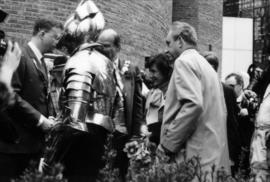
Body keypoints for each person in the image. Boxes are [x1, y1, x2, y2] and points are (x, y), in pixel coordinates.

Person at [42, 1, 120, 181]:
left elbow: (75, 121)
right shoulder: (106, 62)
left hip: (81, 142)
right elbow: (117, 108)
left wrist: (54, 155)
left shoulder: (80, 60)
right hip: (100, 137)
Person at [157, 22, 230, 180]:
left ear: (180, 41)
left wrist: (167, 145)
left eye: (169, 43)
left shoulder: (183, 62)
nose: (166, 49)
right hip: (210, 155)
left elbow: (193, 105)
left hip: (193, 154)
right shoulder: (207, 67)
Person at [0, 18, 62, 181]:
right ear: (42, 34)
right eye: (55, 37)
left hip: (32, 145)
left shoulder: (40, 60)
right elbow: (10, 95)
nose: (57, 42)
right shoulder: (20, 55)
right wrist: (40, 120)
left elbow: (36, 97)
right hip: (16, 146)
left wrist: (47, 117)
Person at [97, 28, 145, 180]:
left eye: (106, 45)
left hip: (123, 136)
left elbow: (138, 106)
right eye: (99, 46)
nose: (101, 49)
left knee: (121, 174)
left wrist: (136, 136)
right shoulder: (95, 67)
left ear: (117, 47)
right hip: (100, 135)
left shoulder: (131, 70)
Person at [203, 51, 242, 176]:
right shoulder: (197, 87)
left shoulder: (227, 91)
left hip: (222, 148)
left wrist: (231, 154)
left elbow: (232, 123)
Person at [225, 73, 257, 175]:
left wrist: (249, 113)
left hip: (245, 149)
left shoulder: (251, 100)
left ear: (241, 85)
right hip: (229, 149)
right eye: (226, 86)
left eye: (231, 86)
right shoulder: (224, 101)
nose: (228, 89)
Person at [144, 53, 172, 145]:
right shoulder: (158, 92)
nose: (150, 75)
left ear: (165, 72)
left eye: (154, 71)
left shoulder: (172, 94)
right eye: (150, 71)